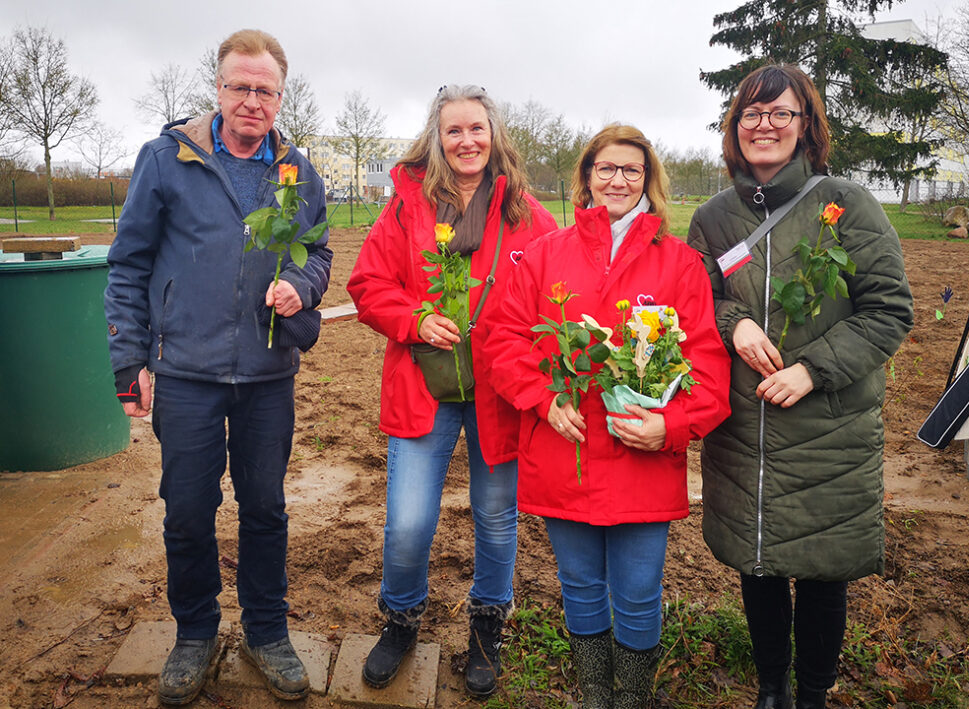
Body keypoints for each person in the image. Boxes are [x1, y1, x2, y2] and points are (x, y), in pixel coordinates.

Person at [104, 29, 331, 705]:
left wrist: (303, 285)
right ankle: (195, 633)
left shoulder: (297, 171)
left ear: (280, 96)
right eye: (240, 86)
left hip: (267, 377)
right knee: (187, 511)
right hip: (187, 374)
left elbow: (317, 253)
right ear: (219, 88)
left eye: (265, 90)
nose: (252, 101)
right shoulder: (167, 159)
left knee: (265, 507)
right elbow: (128, 263)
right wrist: (129, 360)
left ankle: (266, 631)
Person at [687, 64, 914, 709]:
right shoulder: (714, 217)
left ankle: (812, 693)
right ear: (736, 128)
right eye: (752, 115)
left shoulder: (845, 205)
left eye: (780, 113)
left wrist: (813, 367)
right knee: (756, 564)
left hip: (828, 428)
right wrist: (733, 323)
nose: (765, 126)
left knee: (821, 571)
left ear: (805, 126)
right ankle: (771, 689)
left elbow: (889, 310)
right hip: (745, 423)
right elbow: (694, 299)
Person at [485, 124, 732, 709]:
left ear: (648, 181)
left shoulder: (678, 263)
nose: (618, 180)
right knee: (580, 586)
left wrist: (669, 427)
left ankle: (634, 697)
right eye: (607, 169)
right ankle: (596, 694)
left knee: (640, 590)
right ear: (587, 178)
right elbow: (502, 340)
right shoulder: (546, 255)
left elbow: (708, 369)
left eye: (632, 171)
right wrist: (544, 400)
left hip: (642, 458)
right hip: (562, 452)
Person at [346, 84, 557, 698]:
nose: (467, 141)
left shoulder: (527, 214)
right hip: (423, 385)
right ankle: (402, 618)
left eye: (476, 129)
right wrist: (414, 320)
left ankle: (489, 622)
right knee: (410, 520)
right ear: (437, 140)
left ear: (495, 136)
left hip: (499, 391)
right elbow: (368, 282)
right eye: (453, 131)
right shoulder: (409, 207)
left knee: (496, 517)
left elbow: (551, 295)